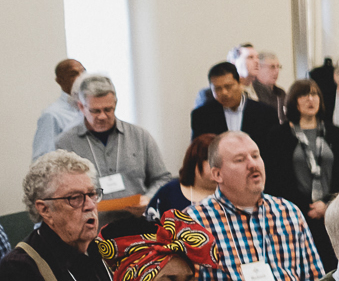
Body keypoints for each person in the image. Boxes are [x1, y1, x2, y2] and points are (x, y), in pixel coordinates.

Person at [183, 132, 322, 281]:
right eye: (240, 160)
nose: (252, 165)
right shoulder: (195, 223)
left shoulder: (288, 212)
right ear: (217, 174)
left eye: (256, 156)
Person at [54, 73, 174, 208]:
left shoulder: (139, 136)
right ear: (81, 107)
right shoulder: (65, 143)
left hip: (138, 222)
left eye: (108, 109)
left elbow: (162, 178)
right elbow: (60, 191)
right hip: (91, 224)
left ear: (115, 104)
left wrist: (149, 198)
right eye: (95, 111)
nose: (102, 116)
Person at [272, 78, 339, 269]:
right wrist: (304, 207)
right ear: (293, 101)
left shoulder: (334, 134)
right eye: (304, 95)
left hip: (331, 214)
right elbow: (276, 178)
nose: (311, 99)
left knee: (333, 267)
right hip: (294, 214)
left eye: (314, 94)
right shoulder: (279, 135)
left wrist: (327, 204)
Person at [190, 59, 284, 147]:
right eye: (217, 89)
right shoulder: (201, 116)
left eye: (228, 86)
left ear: (239, 83)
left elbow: (274, 153)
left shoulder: (266, 113)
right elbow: (198, 154)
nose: (224, 92)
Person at [148, 133, 219, 218]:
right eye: (212, 161)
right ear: (194, 162)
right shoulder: (170, 192)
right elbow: (149, 226)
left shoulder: (232, 194)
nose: (219, 168)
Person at [34, 58, 86, 158]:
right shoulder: (52, 114)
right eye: (74, 74)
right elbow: (42, 158)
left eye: (83, 72)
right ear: (60, 80)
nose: (82, 78)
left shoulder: (90, 109)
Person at [244, 50, 289, 123]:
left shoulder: (281, 93)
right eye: (272, 67)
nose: (277, 71)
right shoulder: (252, 92)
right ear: (258, 68)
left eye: (278, 67)